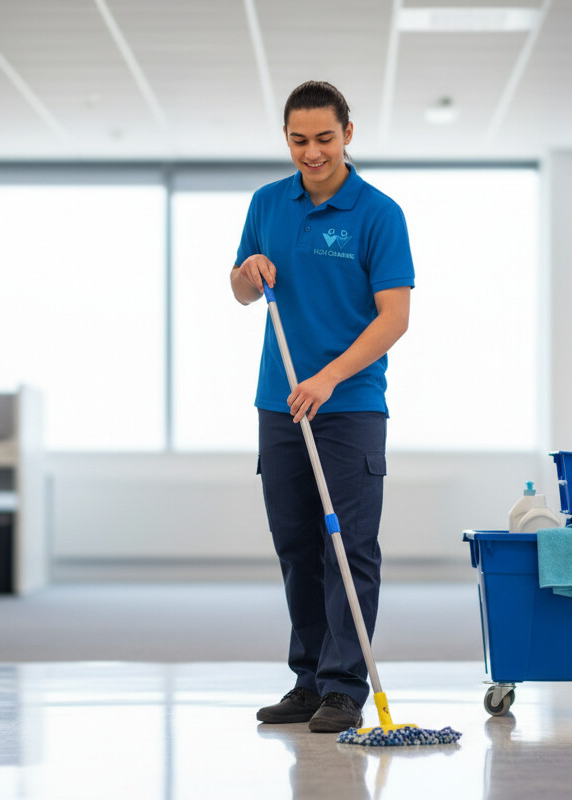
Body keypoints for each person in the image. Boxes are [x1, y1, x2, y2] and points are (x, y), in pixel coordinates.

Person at [230, 80, 415, 733]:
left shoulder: (378, 214)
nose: (312, 152)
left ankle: (343, 687)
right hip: (280, 402)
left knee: (348, 547)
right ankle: (308, 682)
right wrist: (248, 273)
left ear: (348, 134)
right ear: (287, 139)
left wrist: (330, 377)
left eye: (325, 139)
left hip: (350, 404)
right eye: (299, 140)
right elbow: (240, 291)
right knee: (296, 545)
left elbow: (394, 318)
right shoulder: (267, 203)